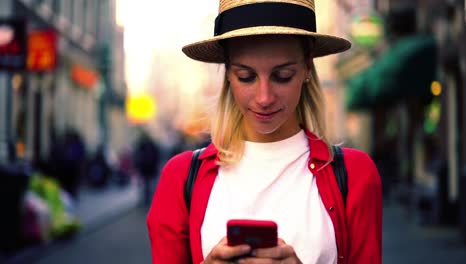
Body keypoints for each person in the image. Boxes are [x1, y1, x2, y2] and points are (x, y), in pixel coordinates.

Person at [147, 0, 382, 263]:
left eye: (282, 75)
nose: (264, 97)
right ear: (227, 73)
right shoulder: (180, 178)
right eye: (245, 76)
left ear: (307, 68)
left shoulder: (355, 175)